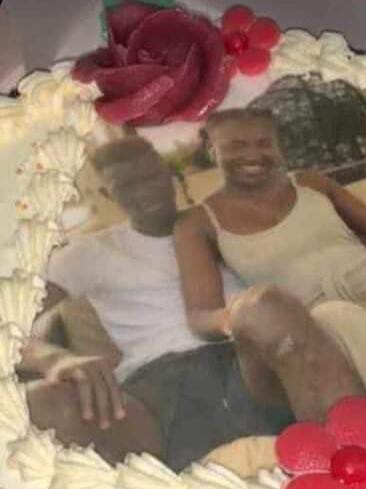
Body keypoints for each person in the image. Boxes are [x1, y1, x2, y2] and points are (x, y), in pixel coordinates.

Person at [25, 136, 321, 470]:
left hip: (248, 361)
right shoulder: (91, 252)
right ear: (108, 195)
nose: (145, 193)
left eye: (151, 176)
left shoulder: (220, 222)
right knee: (38, 401)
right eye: (127, 186)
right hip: (158, 385)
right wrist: (55, 359)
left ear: (168, 172)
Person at [174, 107, 366, 419]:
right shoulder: (198, 222)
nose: (253, 154)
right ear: (212, 149)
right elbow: (199, 315)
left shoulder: (310, 184)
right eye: (236, 145)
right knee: (344, 319)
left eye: (264, 143)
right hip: (315, 319)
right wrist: (243, 316)